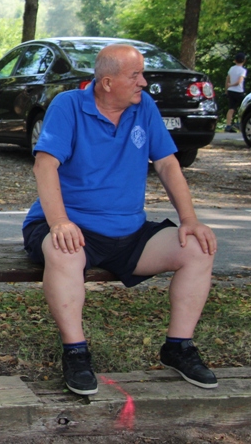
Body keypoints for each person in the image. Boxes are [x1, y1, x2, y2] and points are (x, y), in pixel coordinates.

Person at [24, 44, 218, 396]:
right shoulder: (68, 105)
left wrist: (189, 219)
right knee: (64, 250)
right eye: (135, 75)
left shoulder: (144, 107)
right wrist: (60, 221)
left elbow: (167, 163)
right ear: (108, 82)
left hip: (129, 231)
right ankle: (76, 352)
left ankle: (178, 347)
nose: (143, 82)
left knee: (197, 248)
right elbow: (45, 165)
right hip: (70, 225)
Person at [224, 52, 246, 133]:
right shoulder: (243, 70)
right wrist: (232, 84)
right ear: (244, 61)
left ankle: (228, 125)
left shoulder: (231, 68)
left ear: (235, 60)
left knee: (231, 108)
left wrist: (227, 89)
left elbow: (227, 79)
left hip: (231, 91)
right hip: (239, 91)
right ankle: (239, 122)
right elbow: (239, 81)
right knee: (243, 108)